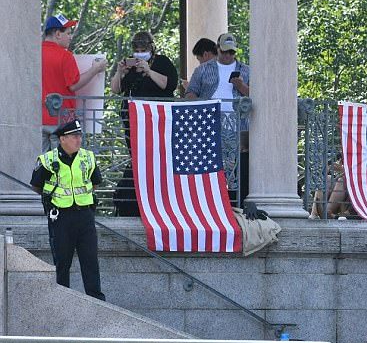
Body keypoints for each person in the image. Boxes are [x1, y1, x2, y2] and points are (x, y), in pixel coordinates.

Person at [30, 120, 105, 301]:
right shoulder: (48, 160)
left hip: (85, 216)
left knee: (90, 262)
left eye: (80, 136)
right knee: (62, 263)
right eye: (74, 136)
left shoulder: (87, 158)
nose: (79, 140)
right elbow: (37, 185)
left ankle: (97, 304)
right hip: (61, 217)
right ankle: (61, 302)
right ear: (62, 139)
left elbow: (95, 182)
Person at [109, 31, 178, 217]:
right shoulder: (130, 65)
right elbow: (116, 89)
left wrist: (149, 71)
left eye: (143, 49)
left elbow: (169, 84)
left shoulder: (162, 62)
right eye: (137, 50)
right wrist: (120, 72)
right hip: (133, 119)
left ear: (151, 48)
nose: (140, 53)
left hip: (156, 120)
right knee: (137, 156)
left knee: (155, 156)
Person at [184, 32, 251, 200]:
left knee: (238, 168)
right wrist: (201, 106)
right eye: (224, 51)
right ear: (218, 49)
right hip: (209, 126)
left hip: (239, 127)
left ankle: (237, 204)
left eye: (231, 52)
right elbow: (190, 93)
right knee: (212, 167)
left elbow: (257, 97)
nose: (228, 55)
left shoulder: (246, 70)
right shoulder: (203, 69)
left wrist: (241, 86)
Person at [41, 14, 107, 144]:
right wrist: (95, 69)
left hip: (37, 119)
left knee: (40, 161)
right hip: (63, 120)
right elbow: (74, 84)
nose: (70, 37)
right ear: (58, 34)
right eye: (68, 33)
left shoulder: (34, 53)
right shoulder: (65, 56)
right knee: (64, 161)